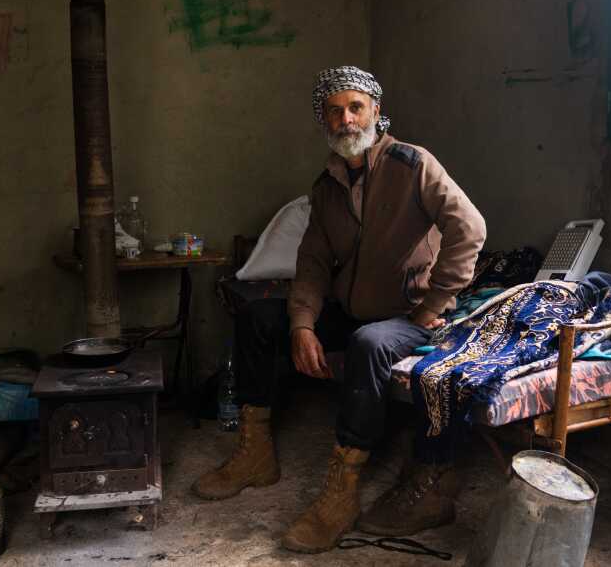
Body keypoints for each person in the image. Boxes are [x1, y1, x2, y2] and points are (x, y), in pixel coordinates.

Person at [193, 66, 487, 553]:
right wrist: (303, 324)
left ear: (375, 110)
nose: (346, 119)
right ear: (323, 121)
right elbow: (310, 262)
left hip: (408, 317)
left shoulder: (414, 165)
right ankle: (255, 454)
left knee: (368, 342)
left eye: (355, 107)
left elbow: (470, 230)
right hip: (352, 308)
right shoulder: (326, 186)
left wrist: (433, 303)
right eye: (334, 111)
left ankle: (342, 490)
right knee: (258, 315)